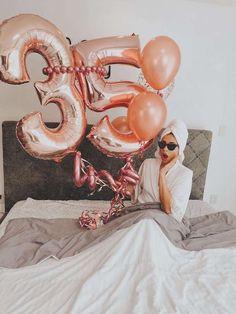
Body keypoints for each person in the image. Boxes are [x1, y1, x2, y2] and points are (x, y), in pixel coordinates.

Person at [131, 119, 193, 222]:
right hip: (141, 214)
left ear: (180, 149)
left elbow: (168, 209)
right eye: (162, 144)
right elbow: (135, 194)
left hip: (165, 221)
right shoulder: (148, 164)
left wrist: (162, 174)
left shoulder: (185, 174)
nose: (165, 149)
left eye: (171, 146)